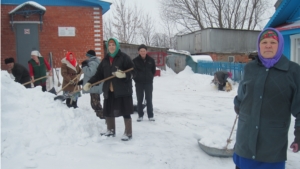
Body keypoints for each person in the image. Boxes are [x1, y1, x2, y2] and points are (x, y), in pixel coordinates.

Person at [233, 28, 300, 169]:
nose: (268, 45)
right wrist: (238, 105)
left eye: (272, 42)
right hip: (245, 142)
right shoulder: (250, 68)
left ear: (280, 45)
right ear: (259, 46)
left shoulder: (293, 71)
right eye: (264, 42)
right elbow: (241, 95)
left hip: (272, 147)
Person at [83, 38, 134, 141]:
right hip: (109, 89)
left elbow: (133, 71)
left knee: (125, 111)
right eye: (109, 45)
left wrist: (124, 75)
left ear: (117, 46)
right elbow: (99, 75)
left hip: (123, 90)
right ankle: (110, 130)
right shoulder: (105, 60)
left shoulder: (124, 58)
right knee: (109, 110)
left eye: (113, 45)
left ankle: (128, 133)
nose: (111, 47)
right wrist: (90, 83)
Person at [133, 44, 156, 122]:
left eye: (144, 51)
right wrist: (136, 79)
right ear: (139, 52)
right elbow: (133, 72)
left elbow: (153, 71)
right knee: (139, 99)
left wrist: (150, 77)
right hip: (139, 83)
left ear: (146, 51)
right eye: (141, 51)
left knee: (149, 99)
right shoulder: (135, 61)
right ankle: (140, 115)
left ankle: (150, 115)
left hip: (148, 83)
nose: (143, 52)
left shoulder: (151, 60)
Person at [79, 49, 104, 119]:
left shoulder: (92, 62)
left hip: (94, 86)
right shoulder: (95, 61)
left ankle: (102, 116)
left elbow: (91, 73)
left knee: (95, 104)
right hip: (94, 85)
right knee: (95, 103)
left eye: (87, 56)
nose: (86, 58)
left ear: (89, 56)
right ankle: (101, 115)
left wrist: (84, 67)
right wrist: (83, 81)